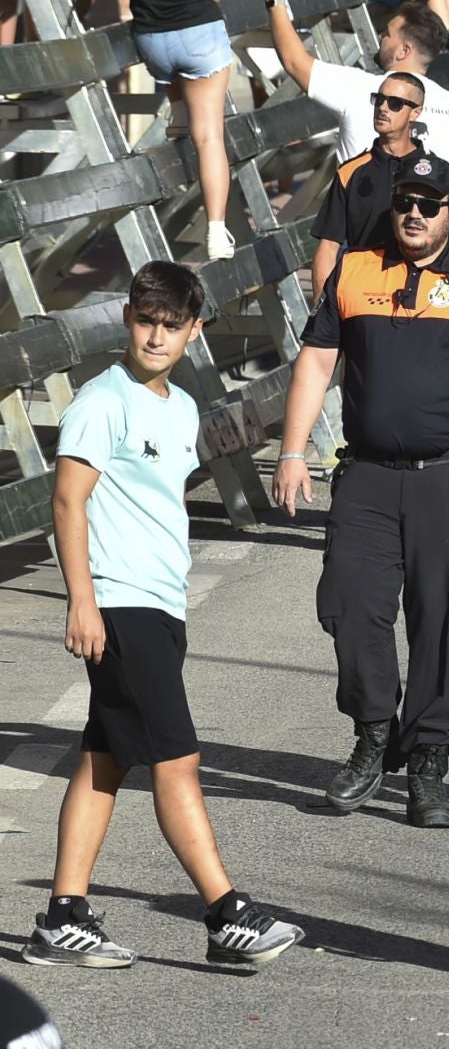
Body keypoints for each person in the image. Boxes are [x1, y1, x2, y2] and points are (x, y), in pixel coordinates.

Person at [22, 262, 306, 970]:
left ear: (193, 330)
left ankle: (63, 916)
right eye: (145, 320)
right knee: (178, 760)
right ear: (127, 319)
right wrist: (81, 600)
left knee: (106, 760)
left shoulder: (179, 407)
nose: (156, 335)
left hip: (158, 603)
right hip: (118, 605)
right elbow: (67, 502)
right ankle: (225, 912)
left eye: (170, 324)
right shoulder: (102, 400)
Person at [274, 162, 449, 828]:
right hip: (369, 474)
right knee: (350, 606)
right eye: (404, 203)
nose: (413, 213)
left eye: (427, 204)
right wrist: (293, 449)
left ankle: (429, 762)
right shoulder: (355, 271)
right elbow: (316, 362)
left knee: (442, 617)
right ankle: (374, 732)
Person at [68, 0, 234, 260]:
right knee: (210, 135)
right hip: (199, 35)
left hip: (152, 43)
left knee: (178, 75)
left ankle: (178, 112)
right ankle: (217, 230)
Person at [262, 0, 449, 177]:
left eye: (387, 34)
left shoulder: (361, 88)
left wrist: (275, 3)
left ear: (403, 51)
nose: (380, 37)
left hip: (362, 218)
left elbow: (294, 62)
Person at [310, 74, 443, 290]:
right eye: (379, 99)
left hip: (422, 295)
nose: (382, 107)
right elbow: (328, 247)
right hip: (363, 294)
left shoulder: (437, 172)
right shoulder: (350, 172)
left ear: (416, 113)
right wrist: (321, 311)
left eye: (394, 103)